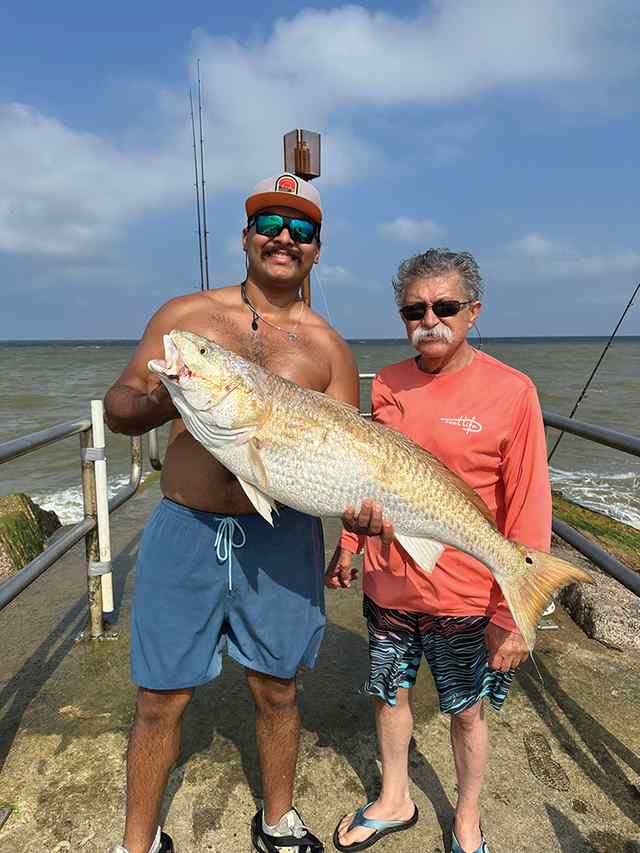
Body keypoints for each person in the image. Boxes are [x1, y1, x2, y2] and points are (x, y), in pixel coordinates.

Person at [104, 173, 358, 853]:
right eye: (270, 224)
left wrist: (358, 529)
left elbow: (347, 455)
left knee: (277, 688)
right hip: (185, 527)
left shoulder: (329, 348)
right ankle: (139, 841)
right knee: (160, 697)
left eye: (300, 230)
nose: (284, 237)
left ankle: (278, 821)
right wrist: (165, 399)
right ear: (246, 237)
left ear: (316, 250)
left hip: (281, 538)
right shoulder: (186, 317)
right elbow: (120, 404)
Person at [325, 249, 552, 853]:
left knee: (466, 711)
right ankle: (395, 798)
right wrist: (350, 542)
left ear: (473, 311)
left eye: (444, 306)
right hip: (388, 583)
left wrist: (512, 617)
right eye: (414, 309)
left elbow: (529, 506)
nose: (430, 319)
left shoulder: (513, 391)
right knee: (389, 695)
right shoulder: (388, 385)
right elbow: (366, 474)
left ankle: (469, 816)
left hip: (467, 592)